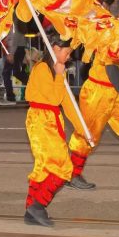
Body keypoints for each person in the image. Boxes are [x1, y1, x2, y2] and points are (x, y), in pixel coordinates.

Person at [66, 59, 119, 190]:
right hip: (98, 93)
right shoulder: (109, 44)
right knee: (87, 134)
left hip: (116, 92)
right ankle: (72, 175)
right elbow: (111, 69)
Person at [20, 36, 75, 227]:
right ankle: (38, 205)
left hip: (49, 119)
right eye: (67, 52)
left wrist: (83, 129)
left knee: (43, 168)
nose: (68, 57)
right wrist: (60, 76)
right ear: (55, 48)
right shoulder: (42, 68)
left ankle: (31, 210)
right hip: (40, 120)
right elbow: (54, 99)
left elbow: (67, 102)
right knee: (63, 166)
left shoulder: (56, 70)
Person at [0, 16, 30, 105]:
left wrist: (11, 53)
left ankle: (10, 98)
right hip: (20, 47)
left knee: (6, 73)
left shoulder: (12, 18)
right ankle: (33, 85)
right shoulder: (20, 17)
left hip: (14, 48)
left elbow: (13, 37)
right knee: (16, 72)